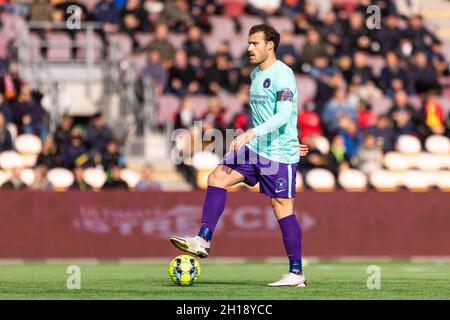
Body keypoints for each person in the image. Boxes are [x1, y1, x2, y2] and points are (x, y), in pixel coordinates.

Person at [170, 25, 308, 287]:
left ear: (271, 45)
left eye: (255, 43)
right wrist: (253, 136)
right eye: (248, 43)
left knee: (281, 208)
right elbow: (268, 115)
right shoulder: (256, 74)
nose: (249, 48)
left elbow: (283, 115)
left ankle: (296, 273)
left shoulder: (283, 75)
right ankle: (203, 239)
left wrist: (254, 134)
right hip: (255, 149)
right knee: (216, 177)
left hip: (278, 154)